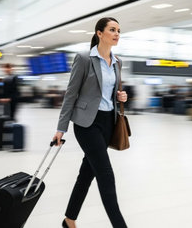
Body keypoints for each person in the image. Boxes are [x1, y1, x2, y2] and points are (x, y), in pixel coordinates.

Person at [53, 17, 128, 228]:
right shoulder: (84, 58)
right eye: (112, 30)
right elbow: (71, 94)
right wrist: (61, 128)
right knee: (105, 174)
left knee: (87, 173)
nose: (117, 34)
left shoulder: (117, 62)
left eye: (119, 30)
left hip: (108, 123)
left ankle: (69, 220)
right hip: (87, 124)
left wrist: (121, 97)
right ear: (99, 33)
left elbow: (111, 93)